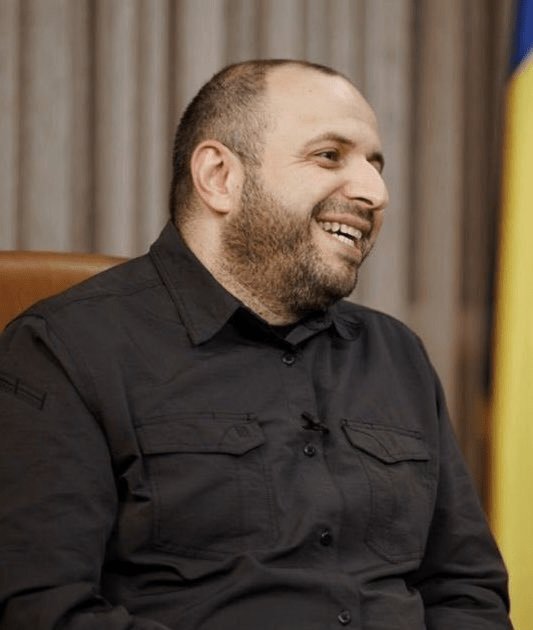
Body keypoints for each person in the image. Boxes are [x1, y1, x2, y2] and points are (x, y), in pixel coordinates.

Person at [0, 59, 511, 629]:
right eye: (329, 155)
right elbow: (45, 611)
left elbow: (467, 592)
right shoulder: (63, 349)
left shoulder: (398, 354)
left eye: (375, 164)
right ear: (220, 176)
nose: (375, 192)